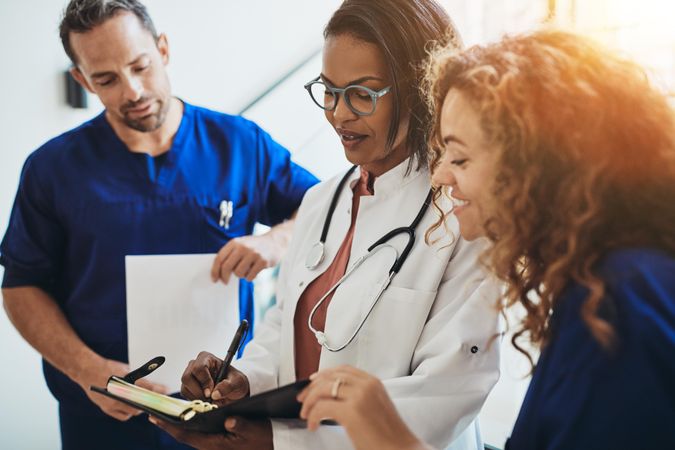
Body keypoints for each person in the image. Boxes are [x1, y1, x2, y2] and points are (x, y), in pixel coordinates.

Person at [296, 29, 675, 449]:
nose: (440, 176)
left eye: (459, 157)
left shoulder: (620, 304)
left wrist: (393, 439)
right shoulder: (595, 286)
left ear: (537, 166)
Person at [151, 1, 503, 449]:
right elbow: (283, 331)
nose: (338, 114)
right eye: (329, 90)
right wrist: (242, 385)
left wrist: (282, 442)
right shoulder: (320, 202)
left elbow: (443, 398)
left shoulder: (461, 215)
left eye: (363, 94)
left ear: (419, 88)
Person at [0, 0, 318, 449]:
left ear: (163, 49)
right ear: (81, 79)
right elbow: (20, 287)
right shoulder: (52, 170)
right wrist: (88, 369)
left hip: (221, 412)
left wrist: (279, 239)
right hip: (102, 419)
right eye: (106, 79)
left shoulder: (239, 144)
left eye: (140, 66)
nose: (132, 91)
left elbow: (327, 206)